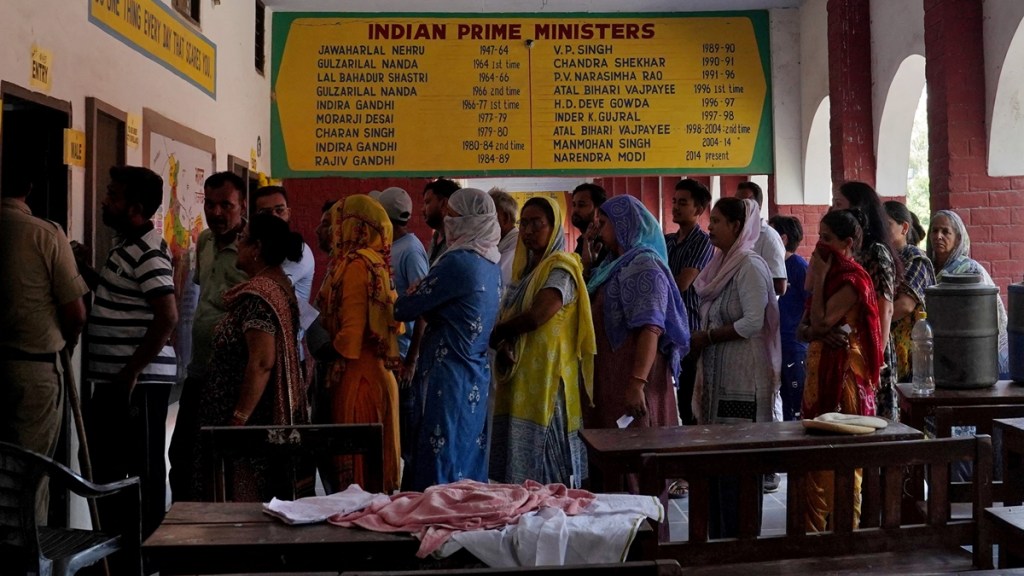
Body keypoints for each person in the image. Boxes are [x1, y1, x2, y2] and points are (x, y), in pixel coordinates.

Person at [81, 166, 178, 546]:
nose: (106, 200)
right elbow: (117, 296)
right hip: (116, 380)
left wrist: (131, 372)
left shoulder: (148, 251)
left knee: (141, 471)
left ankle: (143, 555)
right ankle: (112, 551)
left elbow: (167, 315)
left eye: (113, 195)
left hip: (138, 382)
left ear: (135, 208)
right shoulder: (124, 244)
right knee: (102, 463)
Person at [189, 213, 308, 501]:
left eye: (243, 239)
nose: (238, 244)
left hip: (250, 426)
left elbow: (262, 362)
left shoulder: (260, 295)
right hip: (249, 420)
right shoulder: (275, 284)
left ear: (257, 248)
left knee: (241, 503)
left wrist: (238, 421)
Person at [394, 188, 502, 491]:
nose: (447, 222)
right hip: (474, 375)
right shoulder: (491, 263)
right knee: (465, 458)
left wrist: (414, 291)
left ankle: (436, 530)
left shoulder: (456, 262)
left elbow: (403, 308)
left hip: (447, 375)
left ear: (469, 220)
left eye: (453, 216)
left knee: (440, 462)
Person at [0, 163, 88, 523]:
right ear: (30, 187)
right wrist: (66, 346)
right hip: (34, 369)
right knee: (27, 477)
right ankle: (26, 559)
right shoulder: (47, 234)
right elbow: (76, 314)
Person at [488, 196, 596, 487]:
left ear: (555, 228)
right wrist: (504, 341)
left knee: (549, 467)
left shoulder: (561, 269)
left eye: (538, 224)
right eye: (526, 223)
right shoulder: (525, 273)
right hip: (521, 378)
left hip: (549, 381)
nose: (529, 231)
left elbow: (538, 316)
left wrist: (498, 333)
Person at [690, 197, 780, 536]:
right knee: (719, 453)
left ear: (737, 227)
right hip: (720, 374)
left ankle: (742, 536)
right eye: (710, 220)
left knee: (738, 456)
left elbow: (753, 322)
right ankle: (721, 532)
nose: (709, 227)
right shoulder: (721, 264)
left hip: (743, 379)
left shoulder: (750, 266)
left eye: (716, 221)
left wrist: (708, 337)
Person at [799, 209, 883, 532]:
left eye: (828, 239)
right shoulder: (829, 275)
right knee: (814, 463)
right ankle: (814, 539)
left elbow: (818, 322)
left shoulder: (852, 279)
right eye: (819, 237)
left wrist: (818, 278)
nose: (820, 245)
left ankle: (845, 542)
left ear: (847, 244)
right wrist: (816, 331)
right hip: (818, 375)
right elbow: (802, 330)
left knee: (845, 466)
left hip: (846, 380)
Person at [169, 171, 248, 501]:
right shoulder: (203, 242)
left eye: (226, 206)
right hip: (198, 369)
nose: (216, 213)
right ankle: (184, 532)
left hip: (230, 376)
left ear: (242, 206)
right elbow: (205, 294)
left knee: (220, 462)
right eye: (210, 205)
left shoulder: (252, 251)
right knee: (181, 456)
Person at [318, 195, 403, 493]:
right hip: (377, 379)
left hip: (359, 382)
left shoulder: (355, 265)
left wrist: (319, 346)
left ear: (354, 226)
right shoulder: (378, 261)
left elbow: (351, 337)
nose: (330, 231)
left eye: (335, 223)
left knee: (359, 484)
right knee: (376, 481)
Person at [584, 195, 689, 434]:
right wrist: (587, 262)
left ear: (624, 223)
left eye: (604, 223)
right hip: (611, 372)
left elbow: (651, 327)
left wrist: (636, 383)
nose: (599, 230)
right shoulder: (614, 264)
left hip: (635, 374)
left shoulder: (645, 266)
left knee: (638, 443)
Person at [832, 181, 903, 420]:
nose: (834, 210)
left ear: (858, 209)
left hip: (871, 344)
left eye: (839, 204)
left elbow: (886, 308)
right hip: (849, 343)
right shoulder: (851, 248)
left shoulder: (876, 251)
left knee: (875, 418)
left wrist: (877, 357)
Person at [376, 187, 429, 465]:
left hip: (405, 356)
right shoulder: (391, 246)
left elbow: (423, 308)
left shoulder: (410, 251)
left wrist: (412, 360)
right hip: (392, 355)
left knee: (407, 440)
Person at [928, 209, 1009, 377]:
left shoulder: (970, 270)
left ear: (958, 239)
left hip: (971, 348)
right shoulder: (927, 269)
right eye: (934, 231)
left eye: (945, 231)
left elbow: (977, 316)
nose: (938, 236)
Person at [664, 178, 715, 426]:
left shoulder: (702, 242)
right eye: (674, 202)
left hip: (691, 328)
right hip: (669, 328)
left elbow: (682, 283)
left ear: (699, 209)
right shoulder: (669, 241)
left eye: (683, 203)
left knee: (689, 401)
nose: (675, 207)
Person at [884, 201, 936, 381]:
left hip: (908, 351)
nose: (882, 230)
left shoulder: (915, 258)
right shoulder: (883, 257)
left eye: (887, 225)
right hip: (886, 343)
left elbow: (905, 305)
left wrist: (867, 324)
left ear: (904, 227)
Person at [769, 214, 810, 421]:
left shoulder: (799, 267)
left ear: (782, 239)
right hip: (775, 344)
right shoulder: (771, 267)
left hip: (794, 347)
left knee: (795, 404)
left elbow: (810, 304)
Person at [735, 181, 788, 296]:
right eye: (736, 202)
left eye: (743, 203)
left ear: (757, 207)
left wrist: (742, 284)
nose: (737, 208)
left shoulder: (769, 237)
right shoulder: (737, 235)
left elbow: (779, 286)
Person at [570, 183, 611, 279]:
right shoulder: (583, 241)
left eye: (581, 205)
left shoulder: (604, 244)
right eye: (574, 205)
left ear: (598, 210)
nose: (575, 210)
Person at [423, 178, 462, 264]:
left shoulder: (460, 241)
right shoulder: (436, 238)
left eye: (427, 202)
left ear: (444, 203)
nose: (423, 209)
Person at [489, 187, 520, 287]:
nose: (482, 222)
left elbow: (496, 279)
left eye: (488, 217)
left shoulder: (516, 244)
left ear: (505, 218)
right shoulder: (498, 242)